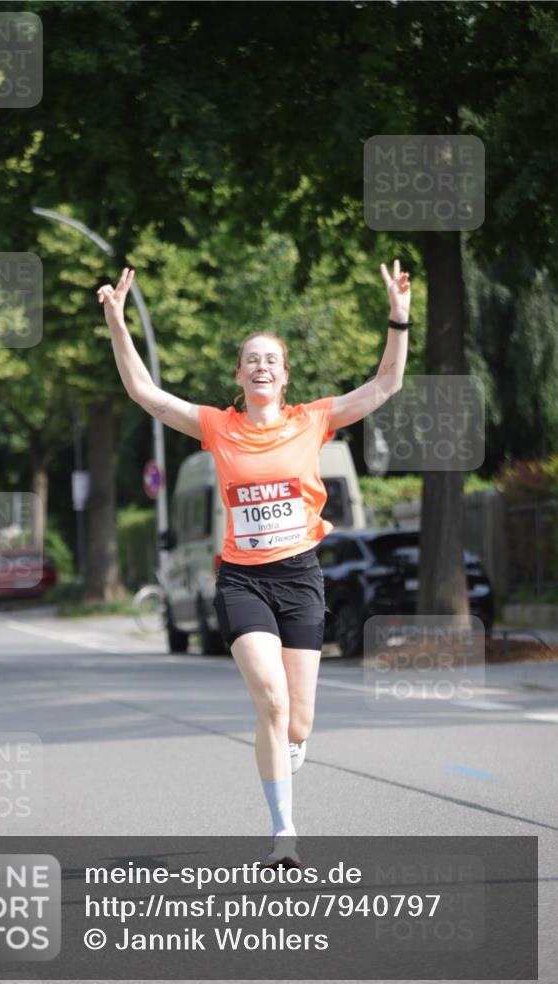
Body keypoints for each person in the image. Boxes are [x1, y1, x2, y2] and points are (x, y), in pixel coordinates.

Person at [97, 260, 411, 867]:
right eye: (252, 359)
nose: (262, 365)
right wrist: (117, 321)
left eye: (272, 359)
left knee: (298, 721)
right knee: (270, 700)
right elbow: (145, 394)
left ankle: (287, 747)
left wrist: (399, 314)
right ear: (239, 376)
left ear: (285, 375)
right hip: (243, 579)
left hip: (301, 577)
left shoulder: (312, 420)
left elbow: (384, 386)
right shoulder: (218, 427)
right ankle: (284, 833)